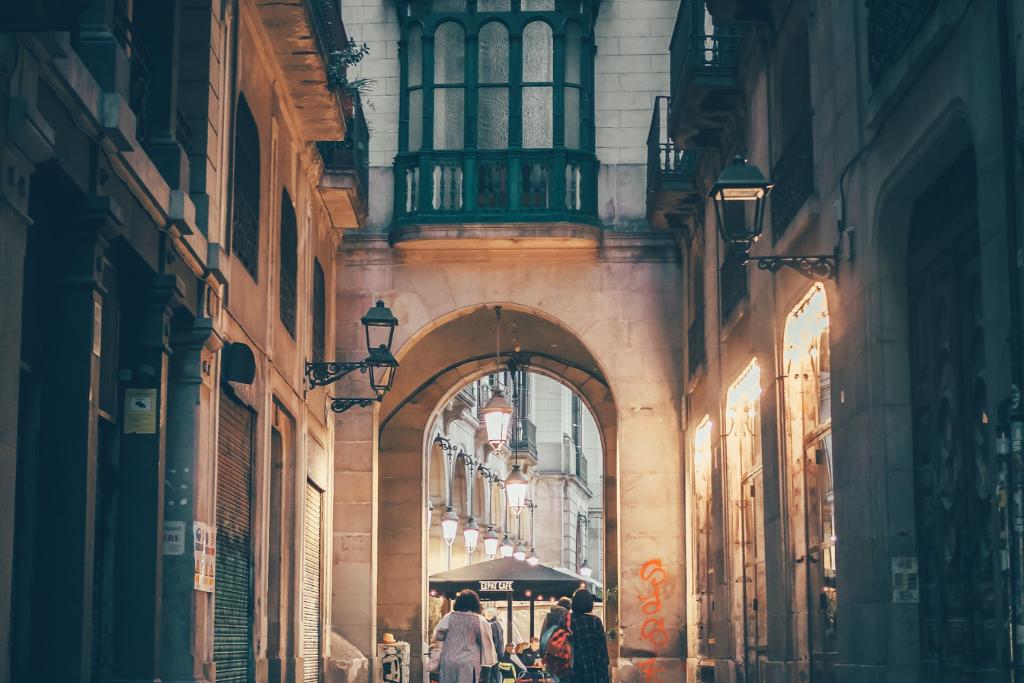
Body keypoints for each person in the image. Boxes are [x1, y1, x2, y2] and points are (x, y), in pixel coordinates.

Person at [434, 590, 498, 683]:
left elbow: (438, 637)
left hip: (448, 662)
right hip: (468, 663)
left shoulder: (447, 618)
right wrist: (488, 665)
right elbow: (487, 645)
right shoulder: (479, 620)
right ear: (475, 604)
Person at [567, 588, 609, 683]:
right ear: (590, 604)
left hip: (570, 668)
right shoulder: (595, 621)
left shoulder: (567, 620)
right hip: (591, 668)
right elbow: (602, 650)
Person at [484, 609, 505, 683]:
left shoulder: (493, 625)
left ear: (490, 615)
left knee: (492, 675)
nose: (485, 616)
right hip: (498, 653)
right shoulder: (498, 624)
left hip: (494, 654)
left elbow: (496, 641)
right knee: (495, 674)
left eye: (486, 614)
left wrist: (492, 653)